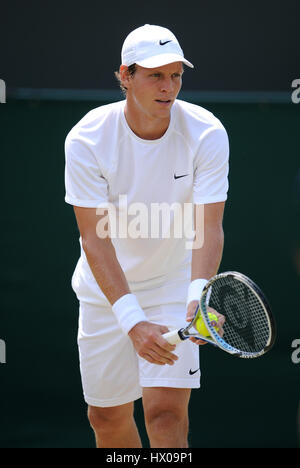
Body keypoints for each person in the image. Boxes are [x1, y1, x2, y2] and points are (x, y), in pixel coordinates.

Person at [64, 24, 229, 448]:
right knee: (105, 416)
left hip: (174, 287)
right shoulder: (86, 138)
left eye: (176, 75)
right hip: (106, 293)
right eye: (155, 74)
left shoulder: (208, 133)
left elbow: (208, 227)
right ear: (125, 76)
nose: (168, 86)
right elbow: (94, 239)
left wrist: (197, 296)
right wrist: (132, 321)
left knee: (165, 414)